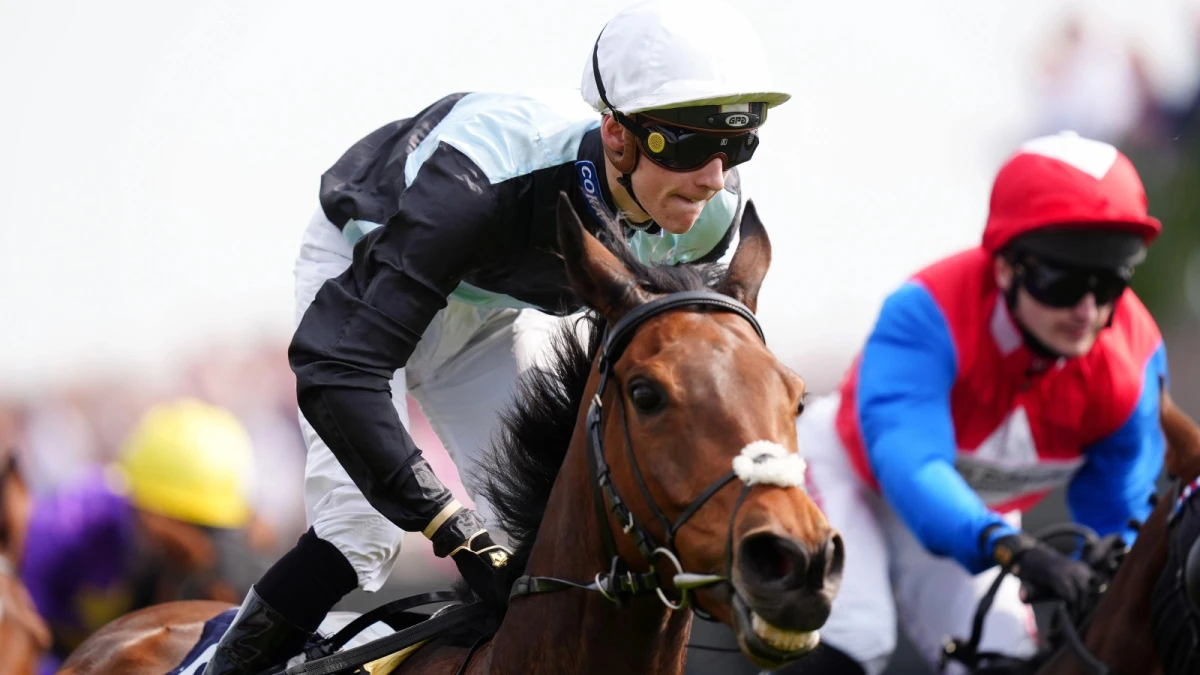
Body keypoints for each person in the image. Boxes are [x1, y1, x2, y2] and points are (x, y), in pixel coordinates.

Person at [203, 1, 790, 672]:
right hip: (365, 280)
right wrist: (448, 523)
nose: (714, 177)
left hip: (491, 312)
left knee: (539, 532)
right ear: (618, 136)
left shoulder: (711, 213)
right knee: (362, 533)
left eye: (737, 144)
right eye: (689, 146)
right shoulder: (475, 189)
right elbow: (338, 366)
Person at [783, 131, 1168, 675]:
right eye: (1063, 281)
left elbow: (1114, 518)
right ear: (1006, 267)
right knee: (857, 633)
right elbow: (912, 468)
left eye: (1108, 283)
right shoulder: (925, 313)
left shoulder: (1132, 360)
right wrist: (1008, 546)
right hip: (855, 475)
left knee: (1003, 654)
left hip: (970, 510)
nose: (1086, 310)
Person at [20, 399, 257, 674]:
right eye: (193, 528)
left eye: (214, 531)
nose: (204, 549)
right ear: (152, 510)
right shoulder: (63, 531)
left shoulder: (232, 552)